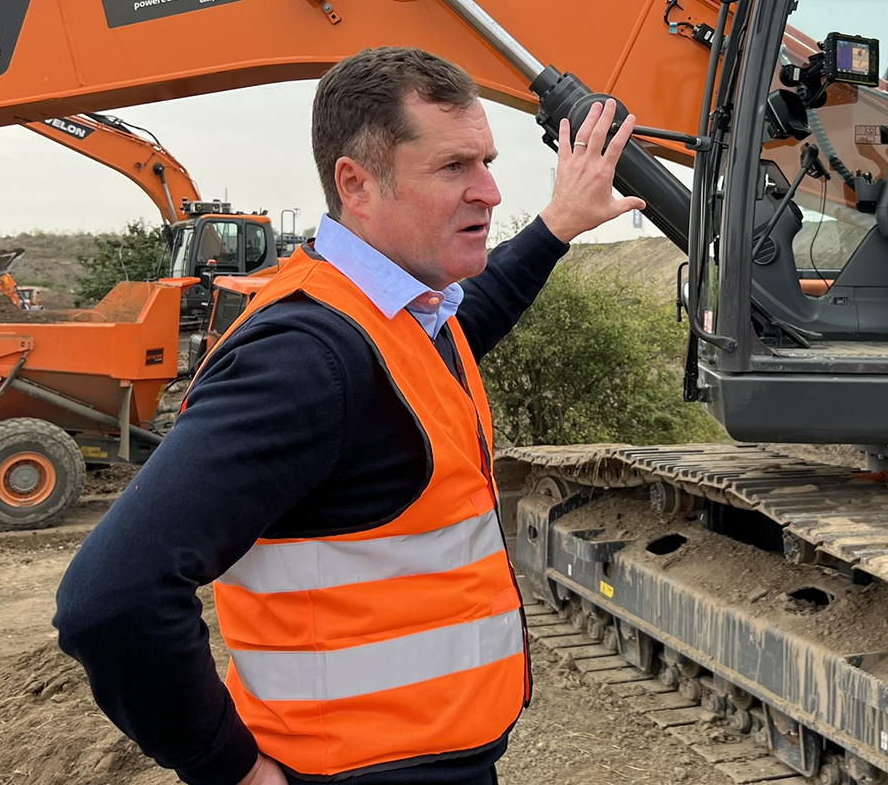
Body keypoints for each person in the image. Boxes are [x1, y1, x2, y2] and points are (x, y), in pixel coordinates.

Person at [54, 46, 646, 785]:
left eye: (488, 162)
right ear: (357, 184)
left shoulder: (401, 321)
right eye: (454, 167)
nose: (490, 192)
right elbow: (110, 601)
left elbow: (469, 322)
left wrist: (556, 225)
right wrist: (232, 769)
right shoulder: (306, 358)